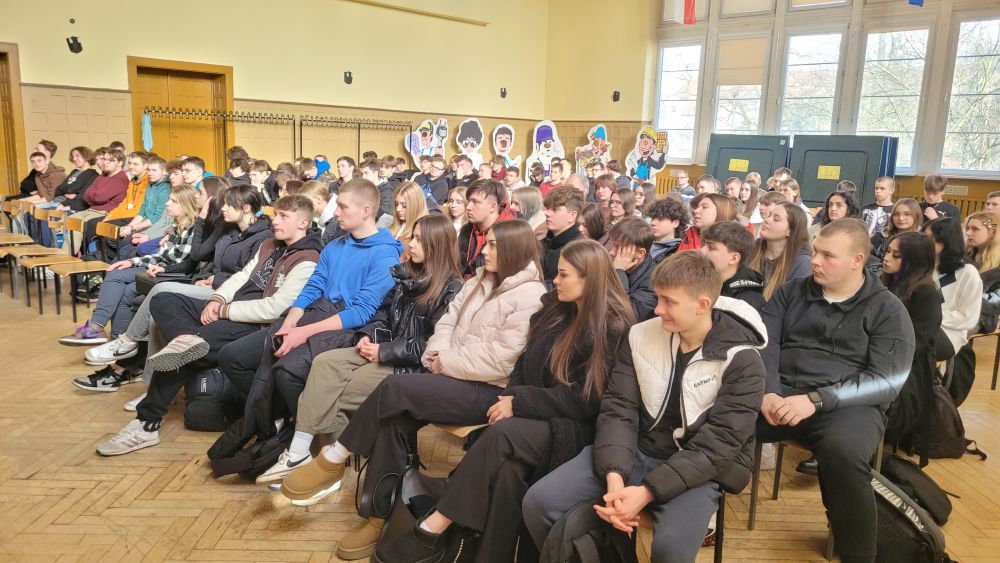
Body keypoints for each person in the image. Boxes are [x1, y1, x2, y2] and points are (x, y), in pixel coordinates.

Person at [278, 220, 547, 559]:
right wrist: (439, 356)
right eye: (486, 243)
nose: (484, 250)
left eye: (493, 245)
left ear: (513, 249)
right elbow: (446, 326)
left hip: (488, 391)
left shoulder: (531, 296)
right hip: (451, 376)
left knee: (394, 387)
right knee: (392, 422)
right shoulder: (478, 281)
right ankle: (377, 519)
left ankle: (334, 456)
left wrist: (443, 361)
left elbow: (500, 361)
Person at [369, 239, 634, 563]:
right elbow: (524, 363)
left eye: (564, 275)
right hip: (538, 413)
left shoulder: (611, 326)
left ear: (589, 279)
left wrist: (519, 402)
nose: (555, 280)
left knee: (502, 435)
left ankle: (433, 527)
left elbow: (586, 401)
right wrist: (512, 397)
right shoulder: (556, 310)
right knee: (507, 472)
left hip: (574, 427)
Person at [523, 251, 767, 563]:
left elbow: (718, 445)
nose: (657, 309)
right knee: (538, 503)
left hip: (698, 469)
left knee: (670, 551)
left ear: (702, 305)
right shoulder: (640, 334)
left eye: (669, 301)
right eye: (657, 297)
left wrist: (646, 492)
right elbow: (619, 408)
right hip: (634, 451)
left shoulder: (744, 361)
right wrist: (614, 476)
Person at [94, 195, 323, 456]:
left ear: (303, 222)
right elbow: (241, 276)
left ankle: (147, 422)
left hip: (254, 323)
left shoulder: (308, 259)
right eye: (276, 214)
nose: (275, 220)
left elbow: (274, 309)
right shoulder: (270, 244)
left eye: (284, 216)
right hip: (229, 309)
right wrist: (217, 298)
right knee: (163, 299)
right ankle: (185, 338)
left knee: (187, 351)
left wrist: (225, 310)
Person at [257, 214, 462, 495]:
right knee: (324, 364)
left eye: (418, 240)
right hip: (386, 349)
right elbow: (384, 315)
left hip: (412, 365)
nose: (410, 244)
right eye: (412, 237)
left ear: (437, 246)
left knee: (338, 391)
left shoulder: (451, 289)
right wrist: (369, 335)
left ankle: (323, 469)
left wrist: (383, 350)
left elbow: (431, 346)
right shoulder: (406, 275)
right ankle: (301, 453)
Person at [756, 219, 914, 563]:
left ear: (857, 260)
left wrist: (816, 400)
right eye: (815, 252)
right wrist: (768, 391)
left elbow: (887, 380)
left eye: (828, 256)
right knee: (716, 421)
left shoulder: (887, 309)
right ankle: (696, 513)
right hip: (779, 396)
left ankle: (858, 555)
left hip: (847, 407)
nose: (815, 261)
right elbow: (765, 344)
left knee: (844, 453)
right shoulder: (791, 292)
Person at [217, 179, 403, 409]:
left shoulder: (385, 256)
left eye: (343, 206)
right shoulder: (334, 246)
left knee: (286, 373)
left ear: (365, 211)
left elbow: (361, 312)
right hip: (316, 315)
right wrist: (292, 319)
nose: (335, 213)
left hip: (347, 329)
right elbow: (313, 287)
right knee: (233, 357)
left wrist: (303, 332)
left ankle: (299, 423)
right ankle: (272, 416)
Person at [58, 184, 201, 345]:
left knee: (115, 275)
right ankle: (117, 340)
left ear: (186, 205)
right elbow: (162, 256)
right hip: (159, 269)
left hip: (172, 274)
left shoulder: (193, 228)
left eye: (173, 201)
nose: (167, 203)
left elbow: (176, 259)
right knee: (125, 288)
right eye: (169, 199)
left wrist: (134, 262)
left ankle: (97, 326)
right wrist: (131, 262)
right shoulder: (177, 225)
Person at [881, 232, 943, 449]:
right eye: (887, 251)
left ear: (914, 260)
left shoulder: (926, 294)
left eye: (896, 255)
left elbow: (915, 344)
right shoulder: (885, 284)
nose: (886, 258)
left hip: (907, 369)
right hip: (882, 357)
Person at [923, 217, 982, 363]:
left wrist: (928, 316)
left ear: (948, 241)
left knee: (908, 339)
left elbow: (969, 318)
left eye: (933, 239)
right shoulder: (920, 265)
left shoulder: (967, 272)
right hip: (920, 324)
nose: (925, 243)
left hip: (948, 333)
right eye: (924, 237)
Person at [65, 147, 128, 256]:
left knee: (76, 225)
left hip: (106, 212)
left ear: (120, 163)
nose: (106, 162)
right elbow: (86, 195)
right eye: (105, 159)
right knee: (67, 220)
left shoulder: (121, 178)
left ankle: (65, 258)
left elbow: (98, 197)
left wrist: (95, 198)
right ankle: (63, 255)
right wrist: (95, 198)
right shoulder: (102, 176)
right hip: (92, 209)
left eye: (110, 160)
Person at [750, 202, 812, 301]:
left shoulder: (802, 263)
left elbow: (796, 303)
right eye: (769, 215)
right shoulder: (752, 248)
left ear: (790, 231)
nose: (767, 220)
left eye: (776, 219)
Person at [458, 179, 515, 279]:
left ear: (493, 207)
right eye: (469, 201)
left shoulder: (511, 234)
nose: (468, 207)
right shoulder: (466, 230)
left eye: (475, 202)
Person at [700, 222, 765, 309]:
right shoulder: (698, 280)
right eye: (703, 245)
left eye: (711, 247)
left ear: (734, 258)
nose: (702, 250)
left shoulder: (748, 302)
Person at [608, 217, 657, 321]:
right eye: (613, 245)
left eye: (618, 247)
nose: (611, 252)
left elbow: (626, 316)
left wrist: (618, 272)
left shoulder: (654, 282)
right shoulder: (614, 265)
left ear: (640, 253)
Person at [868, 197, 922, 276]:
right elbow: (871, 263)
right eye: (896, 214)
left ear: (916, 216)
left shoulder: (923, 241)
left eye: (907, 214)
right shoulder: (879, 238)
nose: (901, 218)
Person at [540, 187, 584, 283]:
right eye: (547, 208)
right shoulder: (541, 243)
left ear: (572, 216)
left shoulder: (579, 251)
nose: (547, 213)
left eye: (554, 209)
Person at [52, 146, 100, 212]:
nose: (74, 159)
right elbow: (59, 190)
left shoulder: (93, 175)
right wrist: (71, 194)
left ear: (86, 156)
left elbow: (83, 196)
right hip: (59, 202)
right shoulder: (74, 172)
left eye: (77, 156)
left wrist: (74, 195)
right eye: (73, 156)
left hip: (74, 206)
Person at [389, 181, 428, 259]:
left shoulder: (422, 234)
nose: (398, 209)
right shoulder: (392, 227)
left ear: (416, 206)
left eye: (404, 205)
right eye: (396, 204)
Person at [647, 196, 689, 264]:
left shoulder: (677, 252)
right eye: (653, 219)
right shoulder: (644, 241)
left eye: (660, 219)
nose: (653, 223)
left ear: (675, 223)